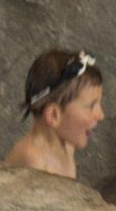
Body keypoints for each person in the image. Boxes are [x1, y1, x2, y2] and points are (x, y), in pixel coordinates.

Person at [6, 47, 105, 178]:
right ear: (54, 115)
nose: (101, 115)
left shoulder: (67, 147)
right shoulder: (33, 161)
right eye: (91, 106)